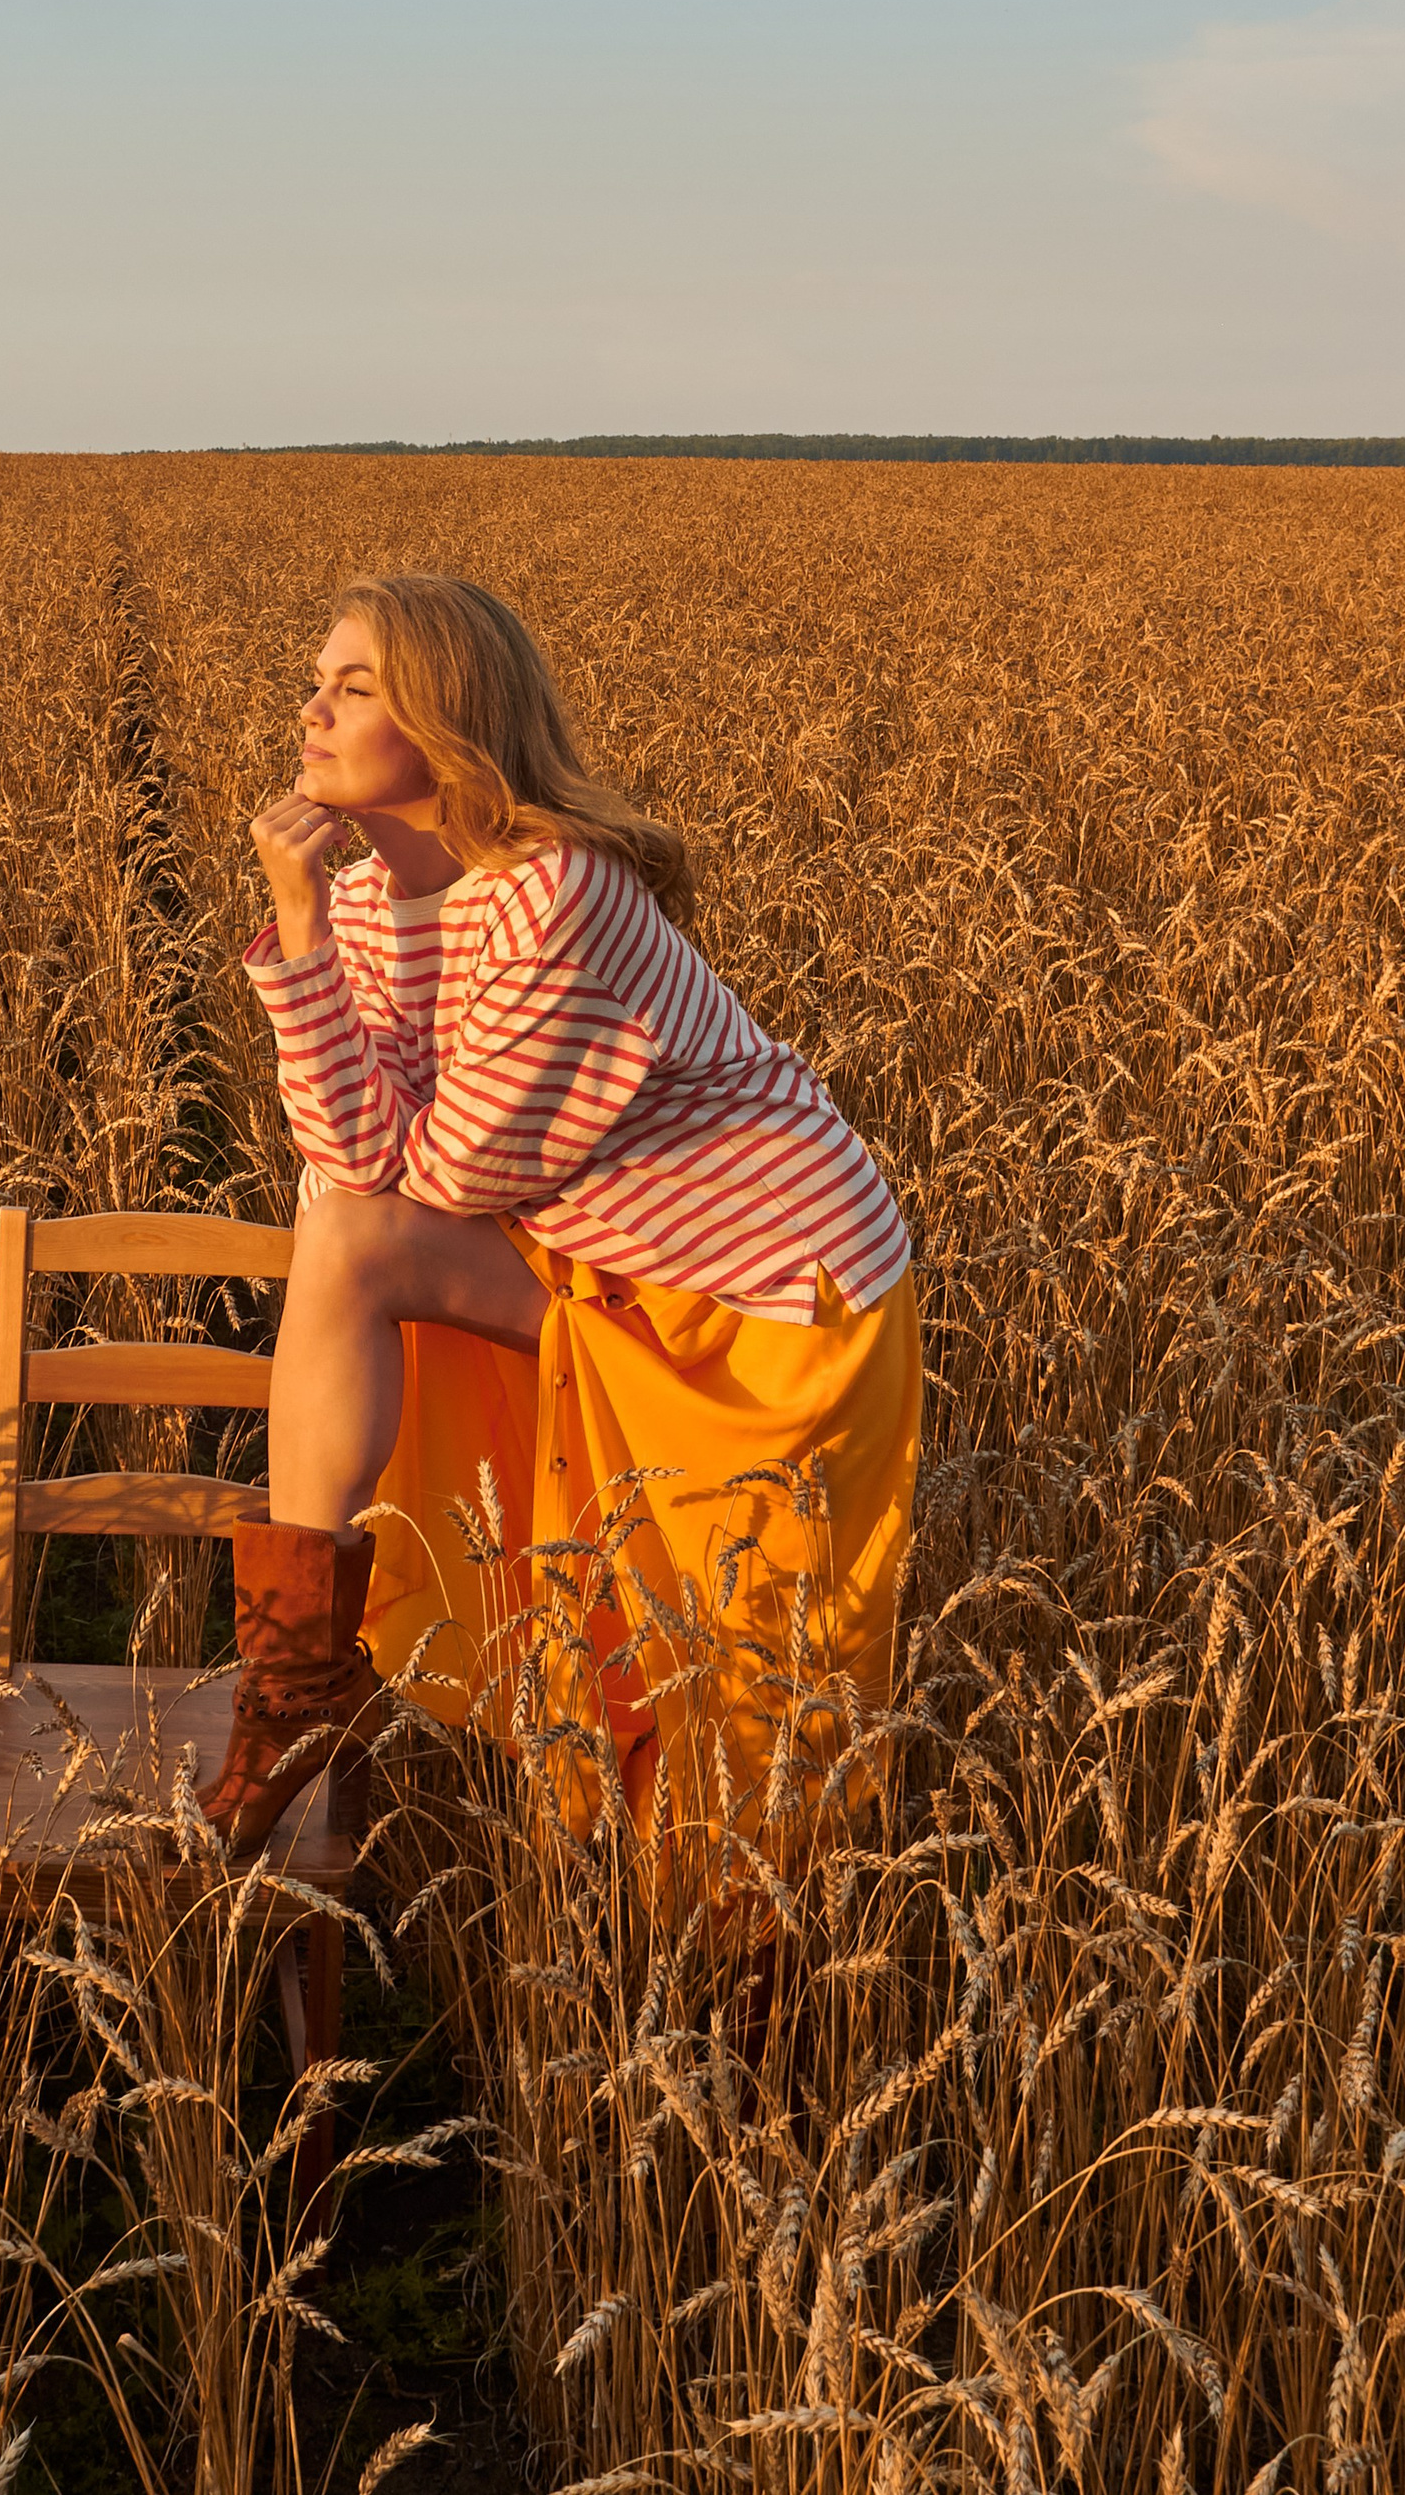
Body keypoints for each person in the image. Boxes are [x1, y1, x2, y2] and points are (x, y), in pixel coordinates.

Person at [198, 573, 920, 1859]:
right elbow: (357, 1165)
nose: (309, 710)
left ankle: (758, 1990)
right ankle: (293, 1687)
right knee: (342, 1237)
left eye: (352, 686)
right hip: (608, 1264)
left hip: (768, 1299)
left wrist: (320, 992)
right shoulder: (360, 904)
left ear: (447, 717)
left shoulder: (553, 893)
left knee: (742, 1694)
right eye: (316, 680)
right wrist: (302, 931)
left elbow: (443, 1179)